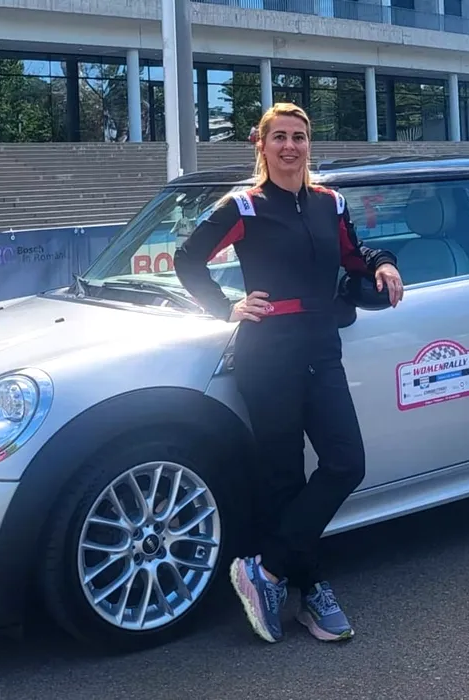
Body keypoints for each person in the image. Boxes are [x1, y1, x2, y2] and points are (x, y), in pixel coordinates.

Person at [172, 103, 403, 644]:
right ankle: (312, 590)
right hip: (267, 353)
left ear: (308, 143)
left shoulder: (329, 203)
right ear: (262, 144)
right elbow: (187, 259)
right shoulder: (244, 206)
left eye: (299, 136)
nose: (290, 146)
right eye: (279, 137)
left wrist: (383, 262)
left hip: (322, 348)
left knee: (346, 462)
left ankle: (267, 569)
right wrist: (224, 305)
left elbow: (354, 254)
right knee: (284, 479)